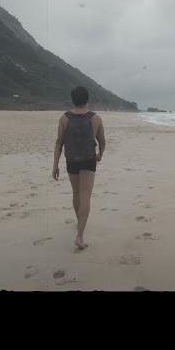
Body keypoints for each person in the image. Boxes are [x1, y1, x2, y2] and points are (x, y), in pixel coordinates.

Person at [52, 86, 106, 250]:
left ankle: (79, 223)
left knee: (76, 194)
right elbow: (102, 141)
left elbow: (59, 143)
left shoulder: (64, 118)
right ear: (87, 99)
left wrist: (55, 165)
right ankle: (80, 236)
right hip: (89, 160)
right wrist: (100, 154)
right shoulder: (96, 119)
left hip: (72, 161)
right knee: (85, 196)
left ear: (73, 100)